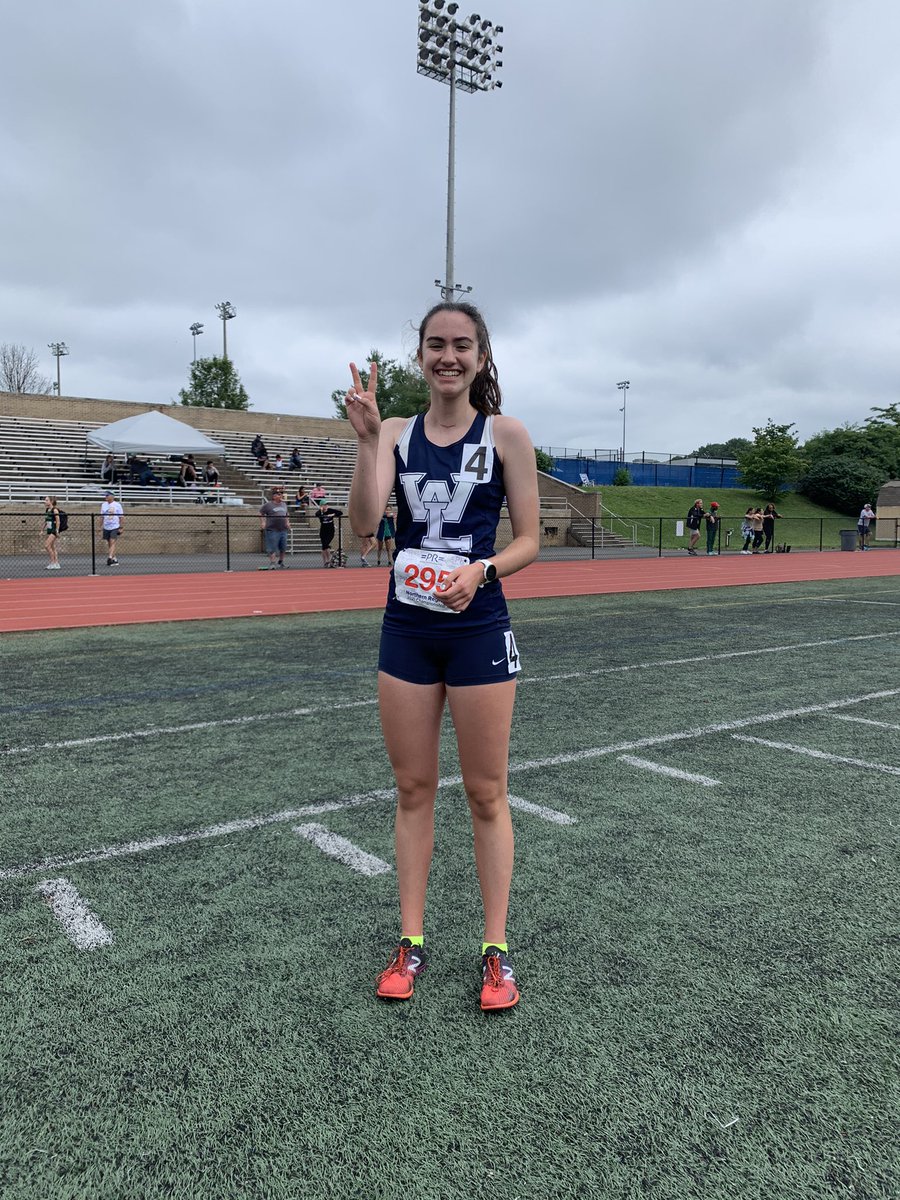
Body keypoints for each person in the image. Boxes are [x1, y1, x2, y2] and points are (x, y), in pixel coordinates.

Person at [346, 300, 539, 1012]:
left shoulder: (506, 434)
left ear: (480, 357)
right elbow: (363, 528)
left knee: (486, 791)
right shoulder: (395, 431)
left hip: (478, 627)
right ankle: (411, 941)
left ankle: (496, 951)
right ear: (420, 356)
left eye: (462, 345)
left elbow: (529, 541)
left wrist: (482, 570)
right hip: (407, 630)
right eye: (436, 344)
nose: (448, 356)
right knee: (412, 788)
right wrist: (368, 442)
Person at [258, 486, 291, 569]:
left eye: (281, 494)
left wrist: (287, 522)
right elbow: (260, 513)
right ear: (274, 496)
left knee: (283, 547)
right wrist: (263, 522)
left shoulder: (284, 504)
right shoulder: (268, 505)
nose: (281, 496)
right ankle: (272, 563)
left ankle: (281, 562)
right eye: (279, 495)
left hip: (283, 529)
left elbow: (287, 514)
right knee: (272, 547)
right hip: (272, 530)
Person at [100, 491, 124, 565]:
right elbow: (102, 517)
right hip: (106, 526)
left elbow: (121, 517)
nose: (106, 497)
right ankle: (114, 558)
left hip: (114, 526)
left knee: (112, 541)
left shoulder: (117, 505)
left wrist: (121, 527)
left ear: (112, 496)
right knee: (109, 543)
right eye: (105, 496)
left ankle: (110, 558)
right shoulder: (103, 505)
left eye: (107, 495)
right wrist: (100, 527)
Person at [43, 496, 61, 569]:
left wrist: (57, 530)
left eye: (47, 500)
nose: (45, 501)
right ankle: (56, 563)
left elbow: (58, 521)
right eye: (45, 500)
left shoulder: (55, 510)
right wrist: (42, 529)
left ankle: (52, 562)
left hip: (54, 531)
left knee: (47, 545)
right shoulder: (47, 510)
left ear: (51, 501)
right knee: (52, 547)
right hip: (49, 530)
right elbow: (46, 520)